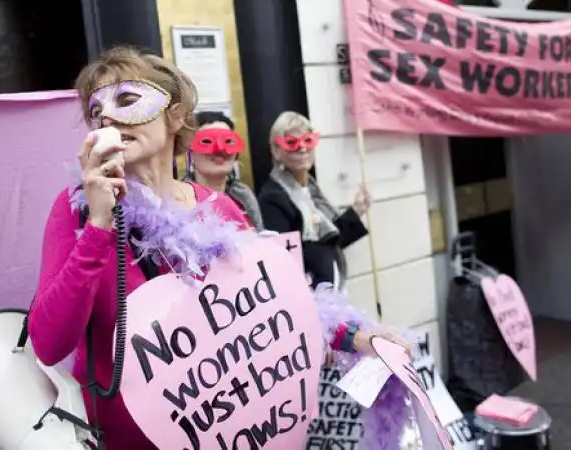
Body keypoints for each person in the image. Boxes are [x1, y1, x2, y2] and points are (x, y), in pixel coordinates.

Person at [28, 47, 410, 449]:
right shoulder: (78, 211)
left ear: (174, 116)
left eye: (126, 100)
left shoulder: (221, 208)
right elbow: (50, 343)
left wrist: (357, 337)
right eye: (95, 110)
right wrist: (100, 226)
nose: (107, 116)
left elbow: (277, 306)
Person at [257, 111, 372, 289]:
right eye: (292, 143)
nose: (302, 148)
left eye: (308, 141)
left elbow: (330, 240)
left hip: (331, 293)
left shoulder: (310, 191)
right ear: (275, 150)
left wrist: (356, 211)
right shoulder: (272, 198)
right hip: (309, 297)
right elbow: (283, 263)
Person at [183, 111, 264, 230]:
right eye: (206, 141)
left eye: (228, 141)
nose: (220, 149)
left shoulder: (244, 196)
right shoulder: (182, 200)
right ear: (190, 153)